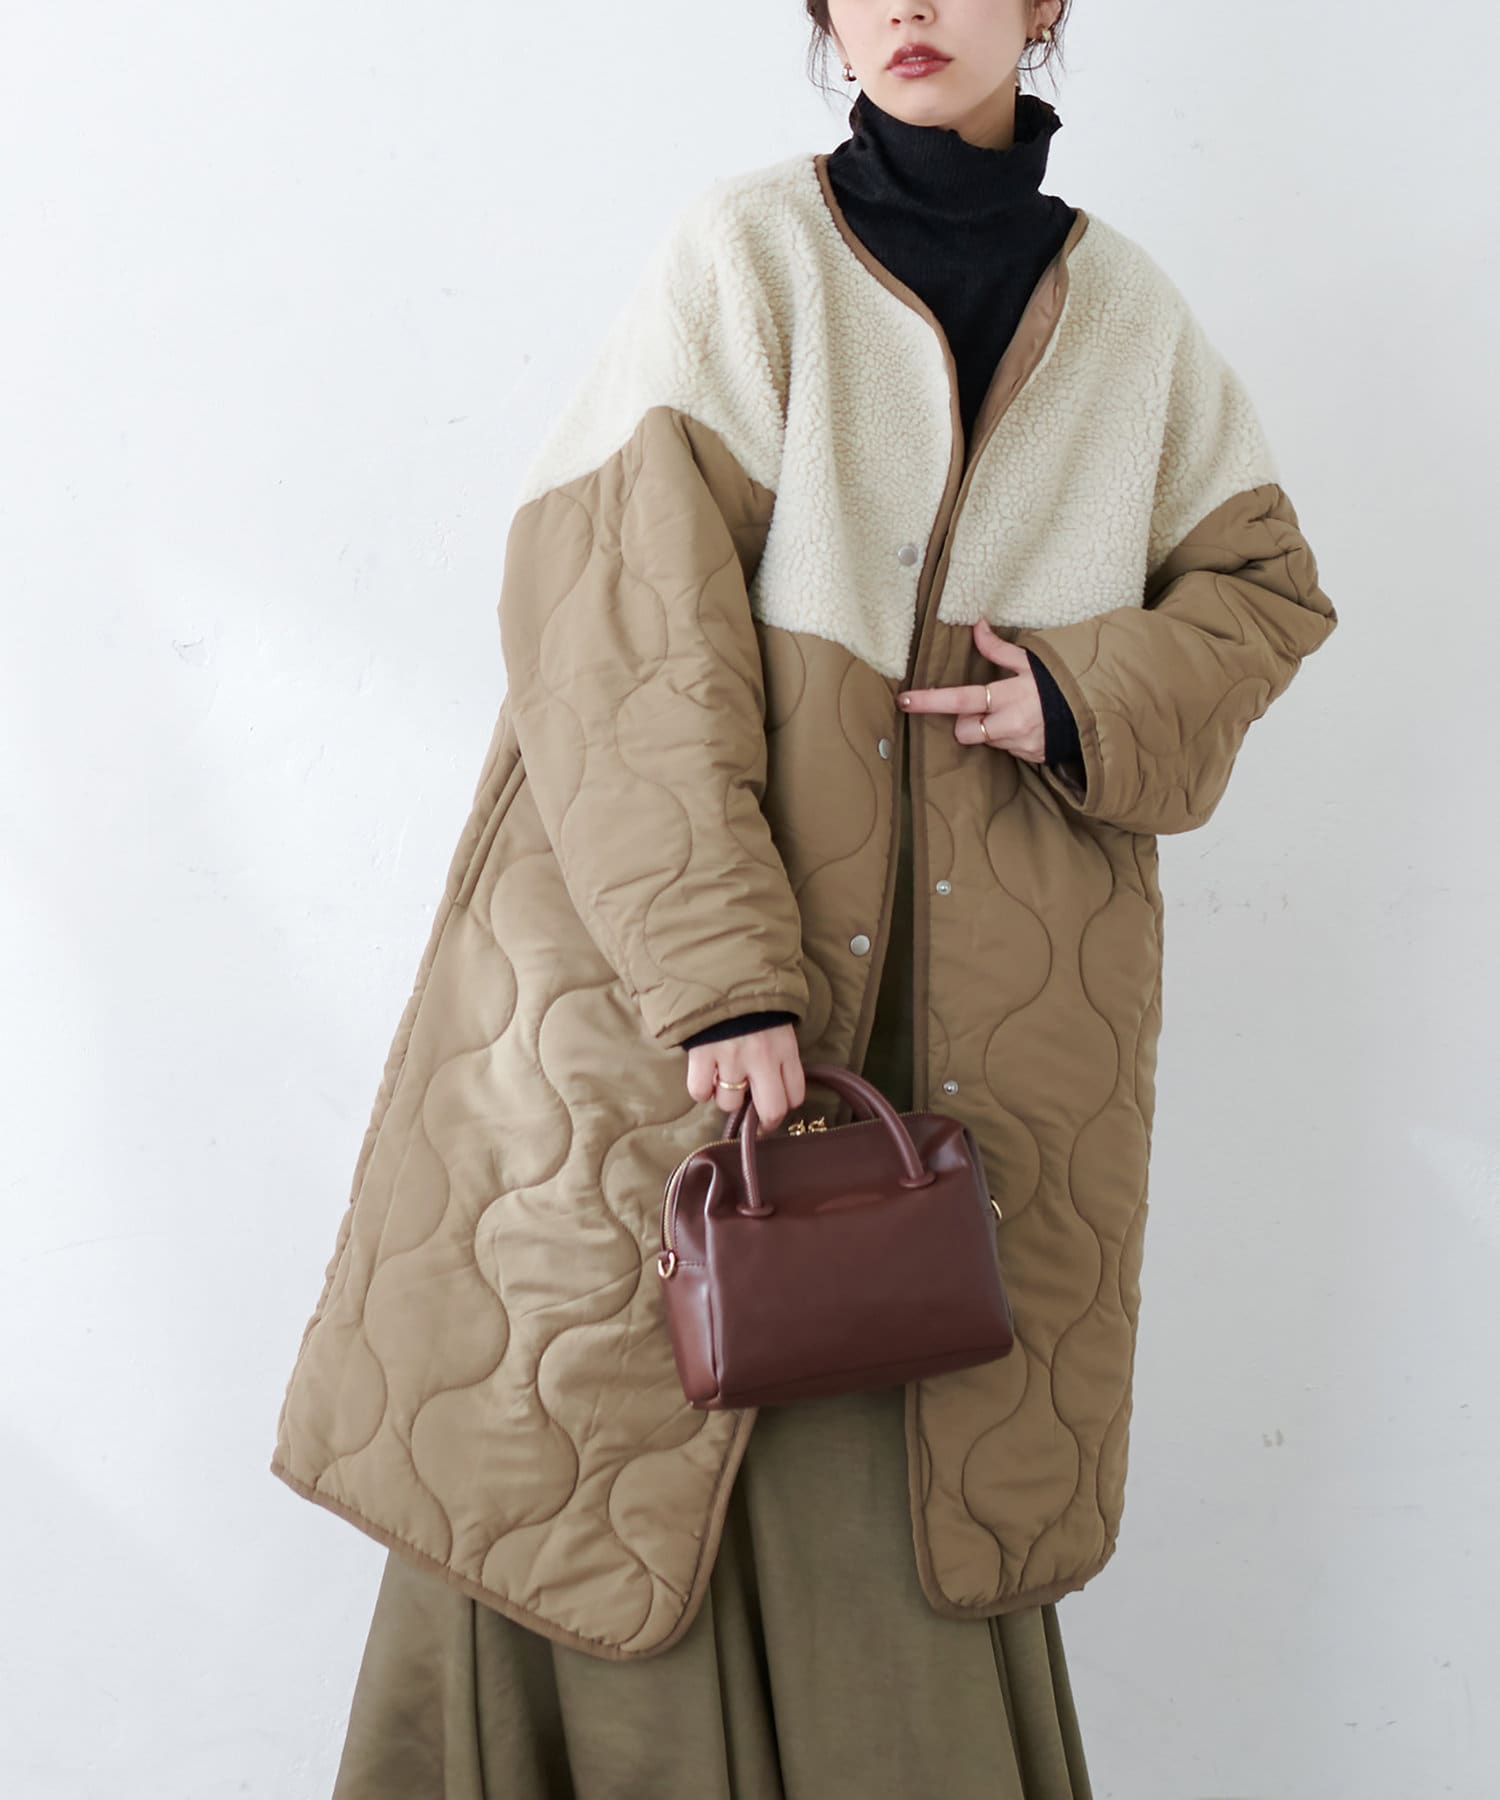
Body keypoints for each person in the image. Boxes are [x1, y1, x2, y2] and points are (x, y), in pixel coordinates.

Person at [270, 4, 1339, 1795]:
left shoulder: (1131, 320)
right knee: (591, 1444)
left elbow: (1265, 592)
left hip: (969, 1042)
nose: (908, 10)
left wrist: (1082, 693)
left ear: (1046, 9)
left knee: (913, 1482)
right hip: (680, 992)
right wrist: (721, 974)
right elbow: (614, 623)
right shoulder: (747, 257)